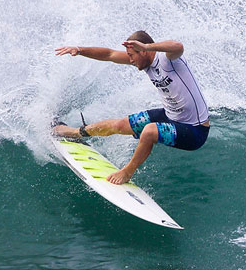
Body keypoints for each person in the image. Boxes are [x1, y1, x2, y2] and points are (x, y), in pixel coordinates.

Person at [53, 30, 210, 184]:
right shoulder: (143, 60)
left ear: (143, 50)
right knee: (119, 125)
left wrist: (148, 46)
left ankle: (127, 172)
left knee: (149, 131)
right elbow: (109, 54)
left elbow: (178, 46)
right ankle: (74, 133)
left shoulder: (167, 60)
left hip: (195, 130)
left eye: (131, 55)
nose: (130, 60)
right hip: (170, 116)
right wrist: (80, 50)